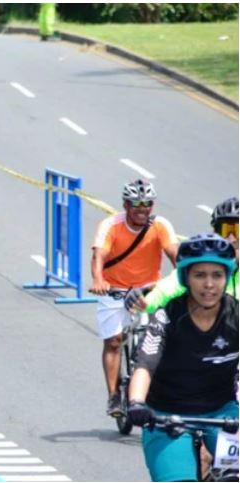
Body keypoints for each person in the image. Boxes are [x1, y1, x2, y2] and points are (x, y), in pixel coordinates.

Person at [127, 232, 238, 482]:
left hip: (223, 414)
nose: (209, 284)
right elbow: (145, 364)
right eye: (200, 275)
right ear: (185, 277)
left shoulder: (236, 315)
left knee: (235, 474)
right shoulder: (167, 316)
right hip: (166, 415)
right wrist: (136, 403)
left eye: (217, 275)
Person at [90, 179, 178, 417]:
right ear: (126, 205)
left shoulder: (160, 225)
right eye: (136, 203)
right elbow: (99, 256)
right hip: (115, 289)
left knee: (160, 338)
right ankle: (114, 396)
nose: (142, 208)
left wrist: (185, 278)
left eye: (147, 203)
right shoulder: (111, 225)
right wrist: (98, 281)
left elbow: (175, 254)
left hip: (150, 290)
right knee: (114, 341)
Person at [126, 196, 239, 313]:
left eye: (238, 230)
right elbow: (166, 290)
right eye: (225, 230)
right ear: (215, 232)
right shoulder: (200, 263)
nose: (232, 238)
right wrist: (143, 301)